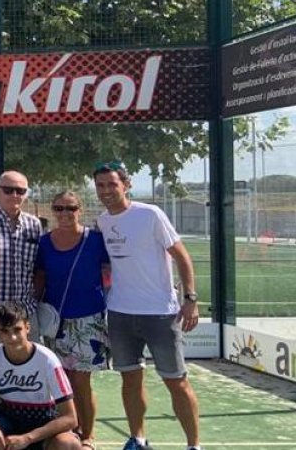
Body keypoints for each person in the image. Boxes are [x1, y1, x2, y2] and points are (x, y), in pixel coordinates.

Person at [93, 161, 202, 450]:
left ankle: (194, 446)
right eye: (100, 185)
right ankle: (138, 439)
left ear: (125, 185)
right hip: (119, 314)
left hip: (160, 314)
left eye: (112, 184)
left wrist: (190, 298)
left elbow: (181, 255)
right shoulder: (103, 221)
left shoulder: (150, 214)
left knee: (176, 382)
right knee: (130, 380)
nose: (106, 191)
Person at [34, 191, 109, 449]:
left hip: (89, 318)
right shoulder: (44, 243)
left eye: (71, 208)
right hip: (55, 321)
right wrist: (34, 307)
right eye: (59, 208)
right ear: (53, 211)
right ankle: (70, 429)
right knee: (62, 379)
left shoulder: (96, 240)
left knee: (81, 381)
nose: (65, 213)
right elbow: (40, 278)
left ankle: (87, 435)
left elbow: (110, 274)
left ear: (81, 209)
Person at [0, 302, 81, 450]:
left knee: (68, 444)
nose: (12, 337)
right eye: (5, 331)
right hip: (8, 418)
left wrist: (28, 438)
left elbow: (70, 418)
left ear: (27, 327)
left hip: (44, 421)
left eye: (17, 330)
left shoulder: (47, 360)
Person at [0, 171, 44, 348]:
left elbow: (37, 268)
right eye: (8, 190)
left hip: (26, 311)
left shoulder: (34, 224)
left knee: (30, 366)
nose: (14, 195)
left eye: (20, 191)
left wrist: (35, 299)